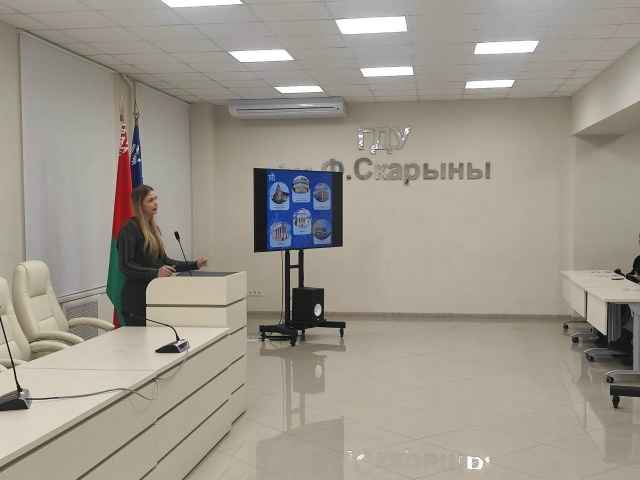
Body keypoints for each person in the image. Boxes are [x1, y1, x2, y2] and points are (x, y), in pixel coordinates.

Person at [118, 185, 207, 326]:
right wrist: (156, 273)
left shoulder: (152, 229)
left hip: (155, 297)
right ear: (140, 205)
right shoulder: (129, 229)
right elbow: (126, 266)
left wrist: (194, 264)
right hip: (136, 300)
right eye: (150, 200)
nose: (155, 203)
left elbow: (165, 261)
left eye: (156, 199)